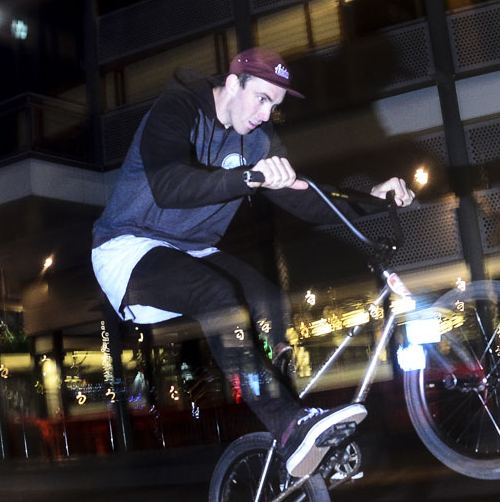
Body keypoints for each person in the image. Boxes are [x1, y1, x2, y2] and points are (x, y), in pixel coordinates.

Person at [90, 48, 415, 476]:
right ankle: (287, 425)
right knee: (218, 296)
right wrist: (250, 176)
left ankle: (297, 434)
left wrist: (370, 199)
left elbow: (304, 199)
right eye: (261, 99)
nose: (265, 115)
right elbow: (169, 187)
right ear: (232, 83)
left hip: (192, 249)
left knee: (269, 300)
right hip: (128, 248)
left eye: (274, 107)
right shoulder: (177, 110)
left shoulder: (258, 141)